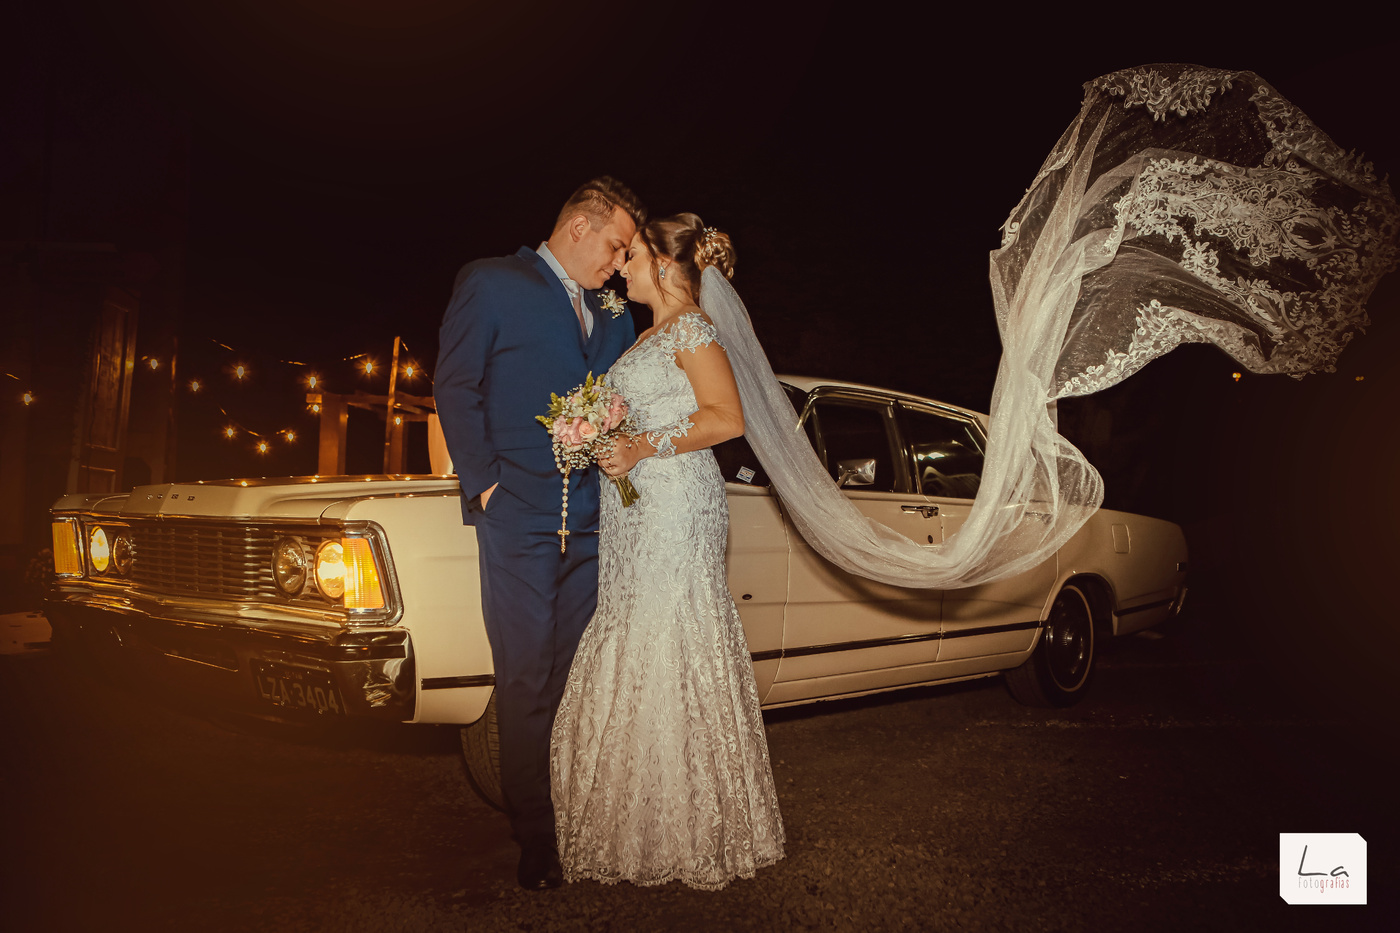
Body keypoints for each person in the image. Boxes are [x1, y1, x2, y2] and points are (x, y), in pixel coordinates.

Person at [550, 213, 786, 890]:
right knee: (634, 626)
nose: (621, 268)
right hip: (636, 508)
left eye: (631, 256)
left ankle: (690, 826)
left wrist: (641, 445)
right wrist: (596, 435)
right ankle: (637, 817)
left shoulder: (692, 329)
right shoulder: (648, 333)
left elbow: (726, 417)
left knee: (668, 632)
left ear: (661, 261)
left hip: (677, 503)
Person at [434, 177, 647, 891]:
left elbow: (622, 392)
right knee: (524, 677)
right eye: (615, 246)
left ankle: (575, 807)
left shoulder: (613, 309)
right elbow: (455, 385)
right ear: (579, 228)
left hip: (593, 519)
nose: (618, 264)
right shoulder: (493, 282)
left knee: (571, 677)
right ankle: (536, 833)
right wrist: (486, 486)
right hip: (518, 518)